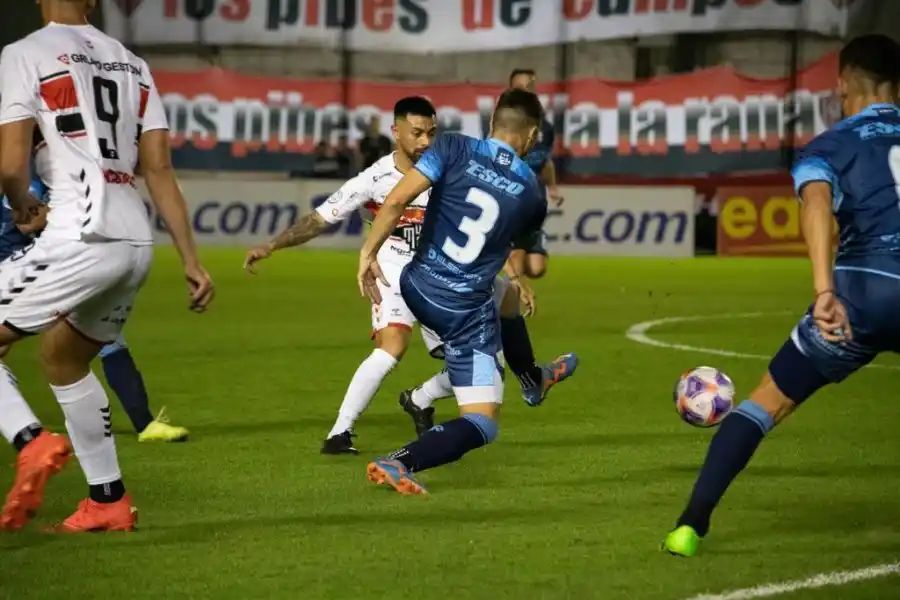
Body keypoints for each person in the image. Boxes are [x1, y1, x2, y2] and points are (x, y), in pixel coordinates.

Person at [663, 33, 900, 557]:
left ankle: (689, 527)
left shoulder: (832, 144)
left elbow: (816, 205)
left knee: (767, 401)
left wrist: (823, 289)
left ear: (843, 85)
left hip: (861, 296)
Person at [0, 0, 212, 532]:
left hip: (80, 231)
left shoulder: (25, 52)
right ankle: (107, 499)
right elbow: (158, 168)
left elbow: (10, 164)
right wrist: (191, 260)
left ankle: (30, 440)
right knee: (64, 359)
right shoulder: (131, 62)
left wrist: (23, 204)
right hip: (134, 241)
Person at [357, 88, 577, 494]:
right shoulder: (532, 190)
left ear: (492, 122)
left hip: (416, 284)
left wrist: (368, 253)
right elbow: (504, 242)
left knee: (506, 297)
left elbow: (397, 200)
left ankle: (532, 378)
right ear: (532, 136)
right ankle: (399, 461)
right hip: (461, 312)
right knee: (482, 422)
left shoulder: (452, 146)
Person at [245, 97, 439, 454]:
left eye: (431, 133)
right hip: (390, 275)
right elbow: (320, 219)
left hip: (438, 278)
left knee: (473, 358)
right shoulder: (375, 178)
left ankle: (421, 398)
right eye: (417, 133)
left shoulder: (446, 171)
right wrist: (272, 245)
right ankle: (339, 433)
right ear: (396, 132)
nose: (425, 141)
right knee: (392, 347)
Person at [0, 181, 188, 442]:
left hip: (60, 265)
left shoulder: (60, 174)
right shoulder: (32, 175)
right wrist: (65, 212)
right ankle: (24, 431)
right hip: (22, 270)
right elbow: (27, 222)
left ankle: (145, 424)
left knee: (109, 341)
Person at [507, 69, 563, 280]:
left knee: (536, 268)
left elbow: (544, 160)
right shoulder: (503, 126)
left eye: (529, 87)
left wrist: (553, 187)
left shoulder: (544, 127)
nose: (526, 92)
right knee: (516, 261)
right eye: (520, 88)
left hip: (536, 201)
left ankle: (508, 286)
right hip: (511, 200)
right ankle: (511, 297)